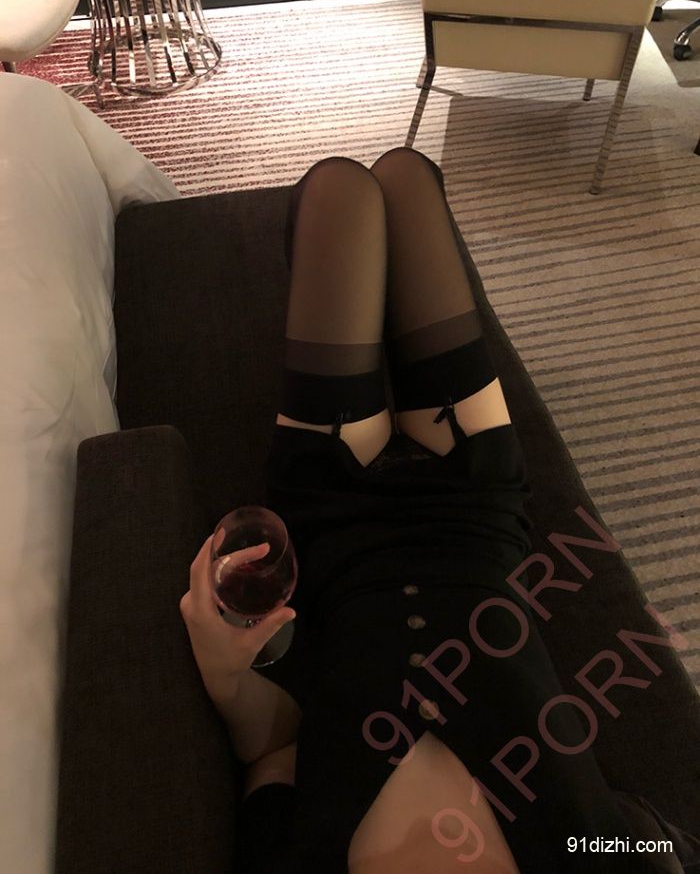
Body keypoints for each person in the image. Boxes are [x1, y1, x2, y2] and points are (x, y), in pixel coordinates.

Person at [179, 149, 695, 873]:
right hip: (475, 512)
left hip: (334, 517)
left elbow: (275, 754)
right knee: (406, 179)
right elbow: (661, 840)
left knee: (338, 193)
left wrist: (223, 671)